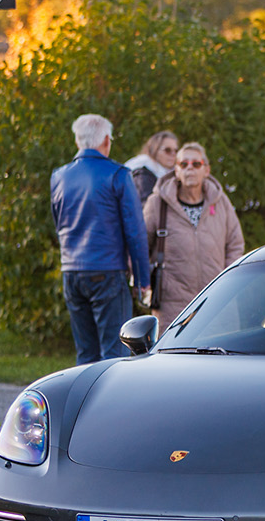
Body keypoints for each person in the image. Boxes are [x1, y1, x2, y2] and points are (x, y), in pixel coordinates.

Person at [50, 114, 151, 364]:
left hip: (72, 270)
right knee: (115, 353)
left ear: (78, 140)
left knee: (85, 353)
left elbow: (58, 221)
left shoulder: (59, 176)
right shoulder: (118, 174)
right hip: (107, 269)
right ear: (106, 140)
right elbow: (135, 232)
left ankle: (85, 392)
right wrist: (142, 279)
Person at [143, 142, 245, 334]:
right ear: (176, 171)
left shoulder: (221, 201)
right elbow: (141, 245)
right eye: (184, 164)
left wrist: (228, 281)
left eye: (196, 164)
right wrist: (143, 282)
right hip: (172, 306)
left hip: (218, 300)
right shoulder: (158, 203)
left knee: (221, 350)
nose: (190, 168)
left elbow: (235, 244)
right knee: (174, 353)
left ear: (206, 170)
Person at [125, 130, 179, 206]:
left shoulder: (172, 174)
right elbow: (147, 207)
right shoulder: (142, 175)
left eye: (176, 151)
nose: (173, 154)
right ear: (155, 150)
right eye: (167, 150)